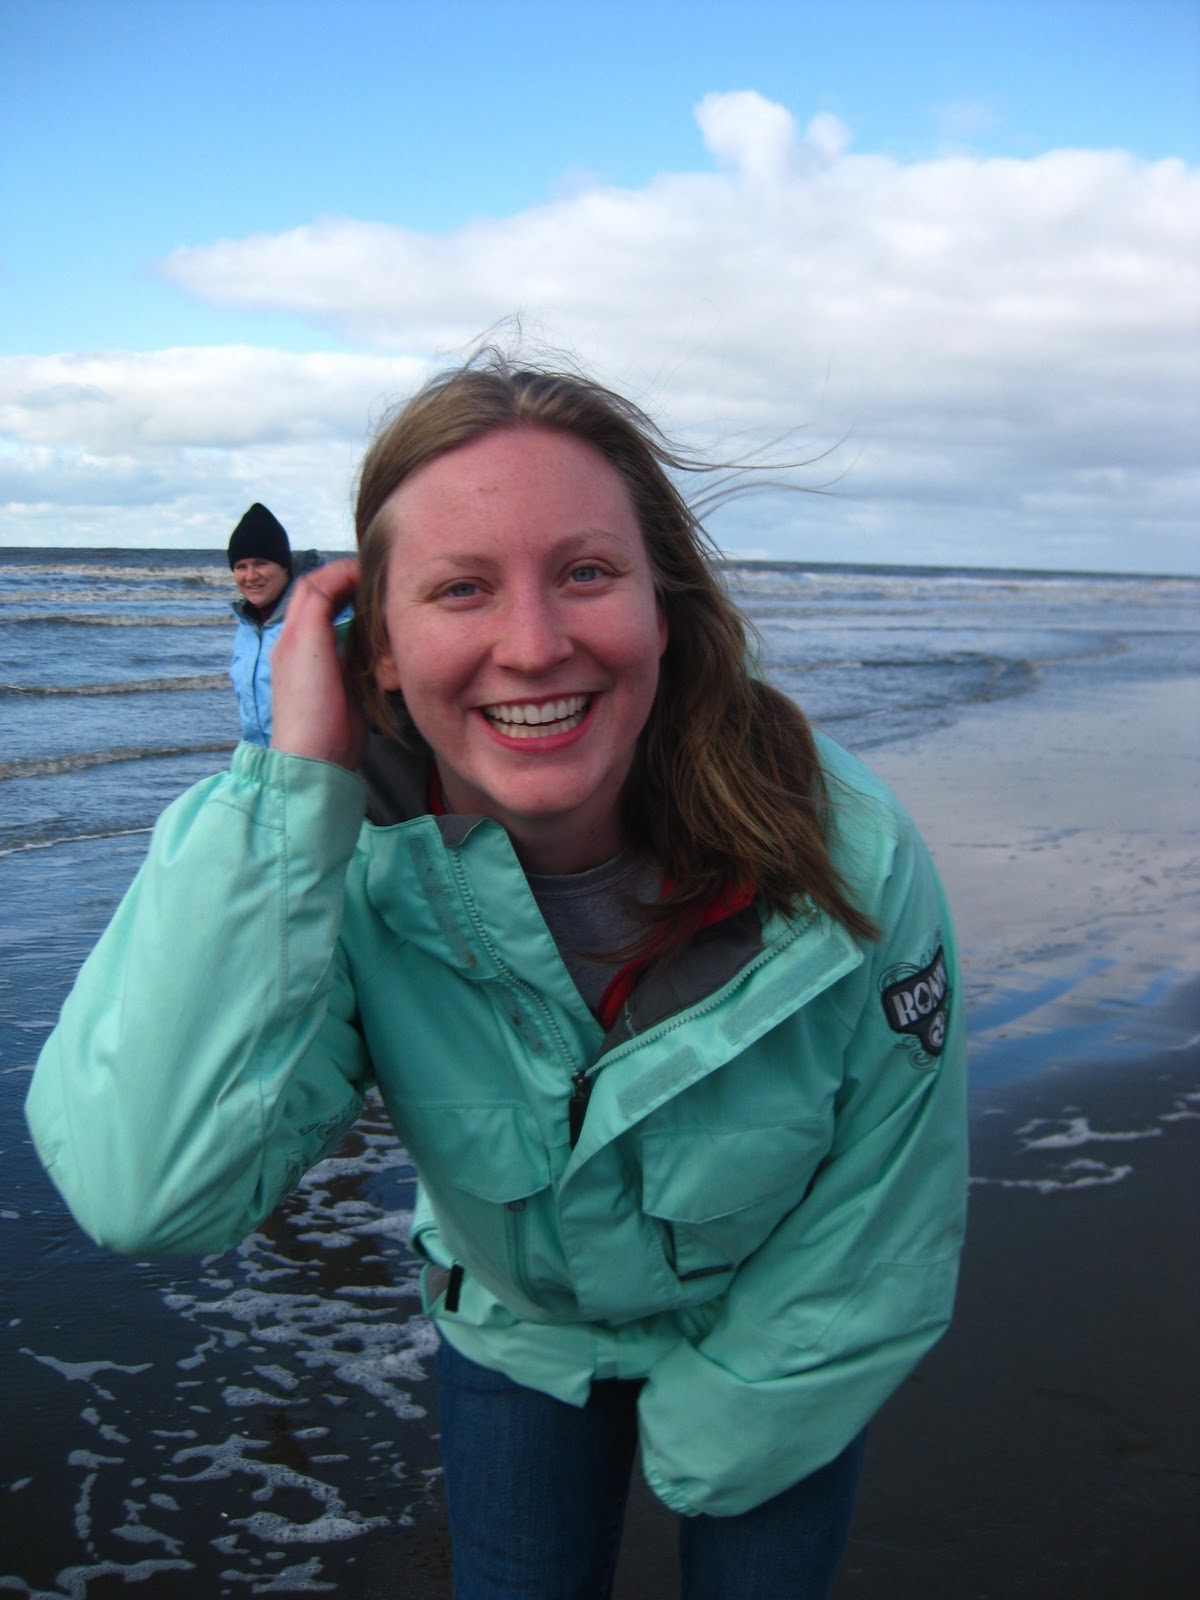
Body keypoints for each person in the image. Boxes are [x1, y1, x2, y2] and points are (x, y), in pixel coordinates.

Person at [27, 353, 967, 1600]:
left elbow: (885, 1205)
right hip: (518, 1339)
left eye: (585, 572)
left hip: (783, 1345)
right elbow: (148, 1186)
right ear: (380, 652)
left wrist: (725, 1425)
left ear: (663, 604)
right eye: (459, 588)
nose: (533, 645)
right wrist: (287, 796)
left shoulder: (844, 847)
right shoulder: (346, 874)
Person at [227, 501, 322, 746]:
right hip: (262, 766)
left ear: (284, 567)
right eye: (241, 567)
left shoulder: (320, 617)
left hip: (309, 767)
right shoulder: (248, 625)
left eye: (261, 563)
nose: (250, 576)